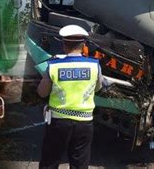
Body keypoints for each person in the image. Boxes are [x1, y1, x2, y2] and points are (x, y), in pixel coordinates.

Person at [37, 24, 104, 169]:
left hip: (58, 122)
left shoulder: (54, 66)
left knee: (50, 161)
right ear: (83, 45)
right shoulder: (94, 65)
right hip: (84, 123)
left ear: (64, 45)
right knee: (80, 163)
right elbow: (98, 88)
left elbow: (42, 92)